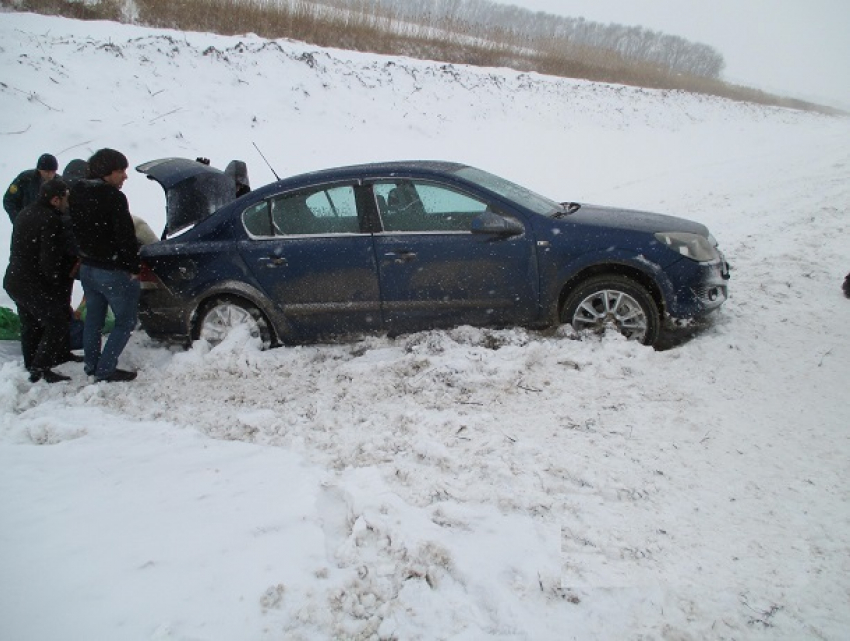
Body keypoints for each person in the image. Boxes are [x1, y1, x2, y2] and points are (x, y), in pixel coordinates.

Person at [69, 148, 140, 383]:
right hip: (111, 270)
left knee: (94, 319)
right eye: (121, 171)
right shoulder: (113, 197)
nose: (125, 176)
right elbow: (125, 237)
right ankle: (106, 369)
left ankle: (91, 365)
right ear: (106, 172)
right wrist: (133, 267)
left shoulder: (77, 191)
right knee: (126, 321)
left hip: (88, 268)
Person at [3, 178, 78, 383]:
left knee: (30, 323)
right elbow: (48, 258)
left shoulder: (25, 212)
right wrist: (55, 281)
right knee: (56, 322)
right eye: (66, 198)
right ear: (55, 200)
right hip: (30, 282)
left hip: (14, 279)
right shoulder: (50, 219)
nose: (68, 202)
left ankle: (35, 362)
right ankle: (41, 368)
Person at [3, 153, 59, 222]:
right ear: (39, 170)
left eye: (53, 172)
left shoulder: (59, 183)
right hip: (26, 223)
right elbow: (9, 200)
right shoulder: (25, 179)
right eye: (46, 172)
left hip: (50, 224)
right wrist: (19, 220)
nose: (50, 175)